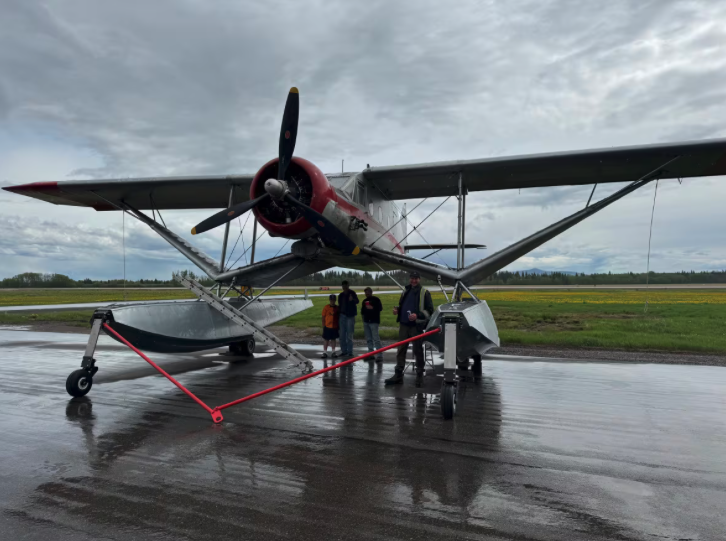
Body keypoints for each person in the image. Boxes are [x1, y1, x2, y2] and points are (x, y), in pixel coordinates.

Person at [385, 271, 434, 387]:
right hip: (404, 325)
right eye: (412, 278)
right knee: (401, 350)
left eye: (416, 278)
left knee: (418, 351)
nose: (414, 280)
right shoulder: (405, 290)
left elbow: (430, 310)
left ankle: (419, 376)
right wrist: (397, 310)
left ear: (419, 279)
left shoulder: (424, 292)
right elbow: (402, 305)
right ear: (409, 279)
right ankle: (398, 375)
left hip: (416, 326)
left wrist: (417, 315)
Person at [361, 287, 383, 362]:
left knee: (376, 338)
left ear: (371, 292)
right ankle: (371, 353)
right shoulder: (364, 301)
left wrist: (372, 308)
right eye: (365, 292)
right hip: (366, 321)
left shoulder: (376, 300)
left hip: (374, 321)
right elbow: (362, 312)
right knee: (369, 339)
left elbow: (380, 308)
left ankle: (379, 355)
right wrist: (363, 320)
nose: (366, 294)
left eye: (368, 292)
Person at [337, 280, 359, 356]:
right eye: (343, 286)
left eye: (345, 285)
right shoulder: (341, 295)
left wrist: (352, 300)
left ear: (348, 286)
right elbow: (339, 305)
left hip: (350, 316)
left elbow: (357, 301)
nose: (344, 287)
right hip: (342, 315)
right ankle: (344, 351)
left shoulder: (352, 293)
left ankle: (349, 352)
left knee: (349, 335)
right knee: (342, 335)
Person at [321, 294, 340, 358]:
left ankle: (333, 351)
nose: (332, 301)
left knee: (333, 339)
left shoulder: (337, 308)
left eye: (334, 300)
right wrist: (324, 325)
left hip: (334, 326)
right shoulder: (326, 307)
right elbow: (323, 316)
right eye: (331, 300)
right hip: (327, 326)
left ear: (335, 300)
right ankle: (325, 352)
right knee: (326, 339)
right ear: (329, 300)